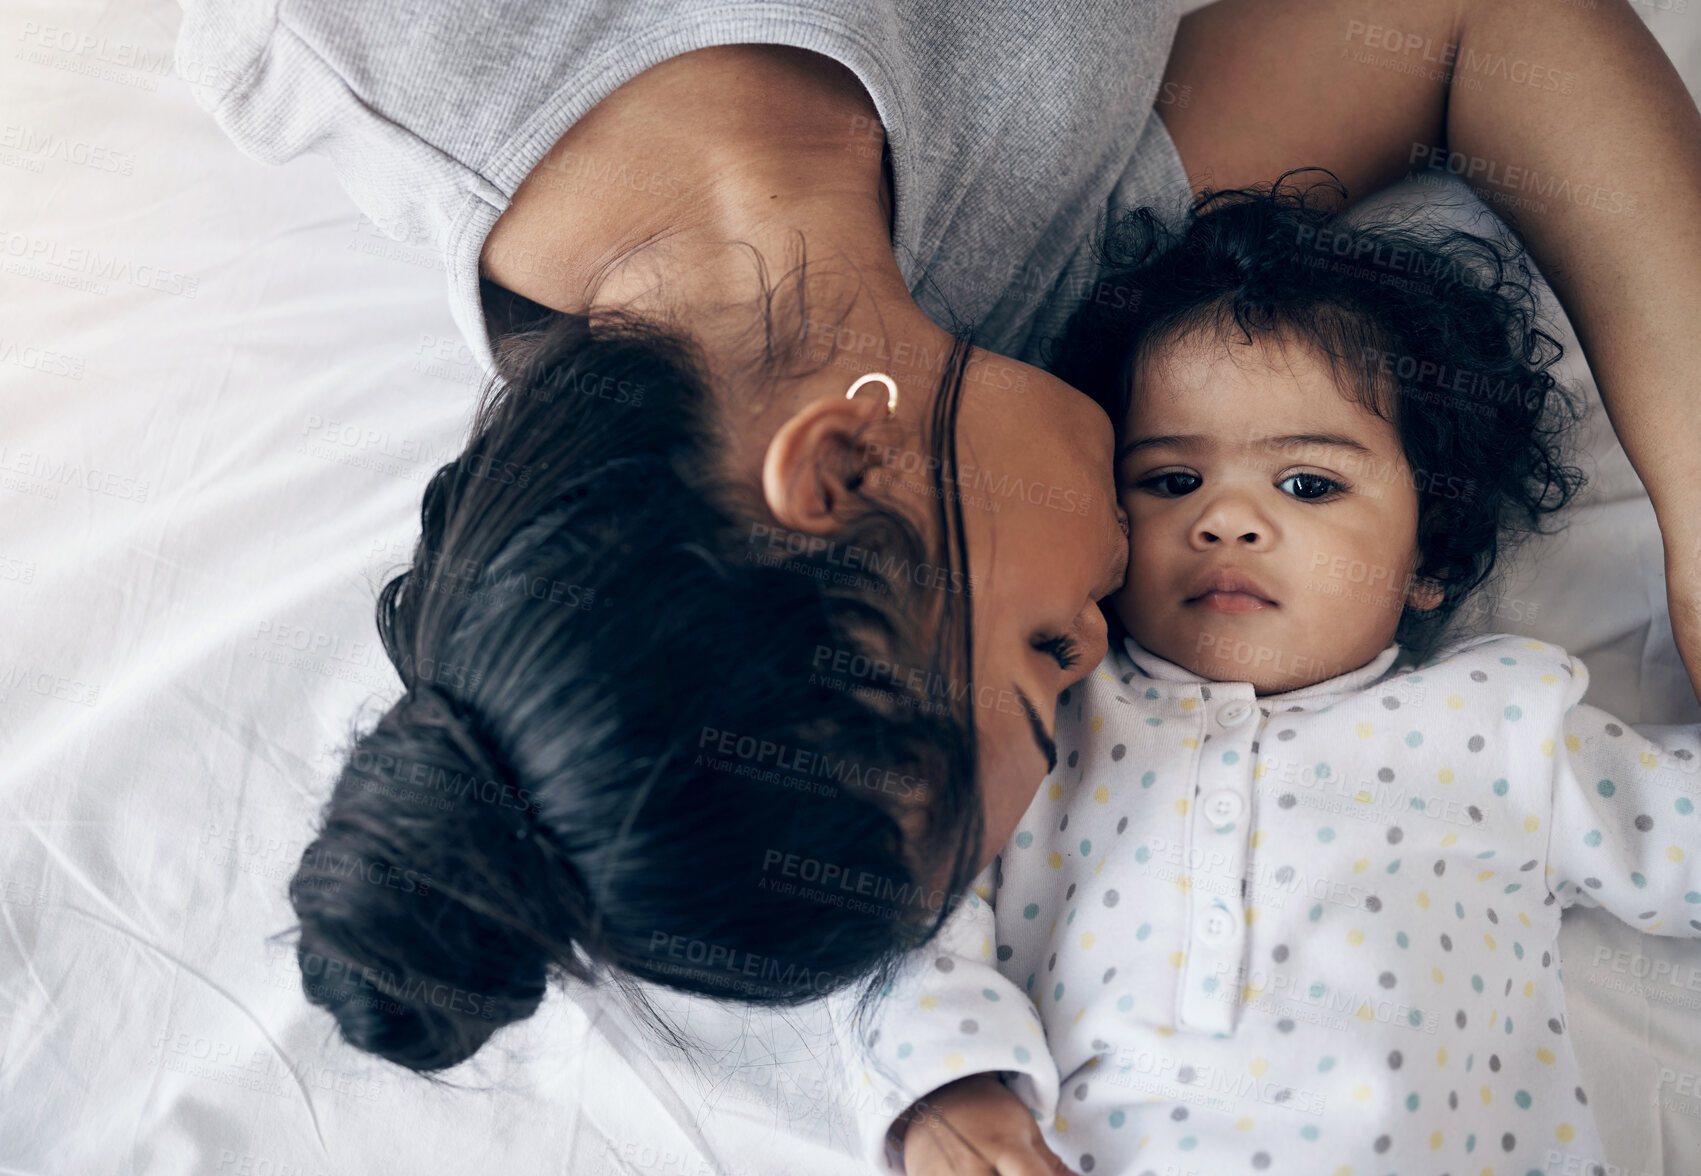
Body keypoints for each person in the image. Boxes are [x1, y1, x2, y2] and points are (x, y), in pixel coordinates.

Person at [172, 0, 1701, 1075]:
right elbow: (1477, 25)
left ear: (840, 470)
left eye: (1044, 655)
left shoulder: (365, 41)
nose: (1112, 621)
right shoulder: (1021, 312)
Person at [847, 178, 1701, 1176]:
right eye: (1172, 481)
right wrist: (954, 1087)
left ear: (1432, 556)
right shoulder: (1048, 717)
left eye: (1306, 484)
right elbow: (914, 919)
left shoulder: (1506, 724)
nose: (1225, 520)